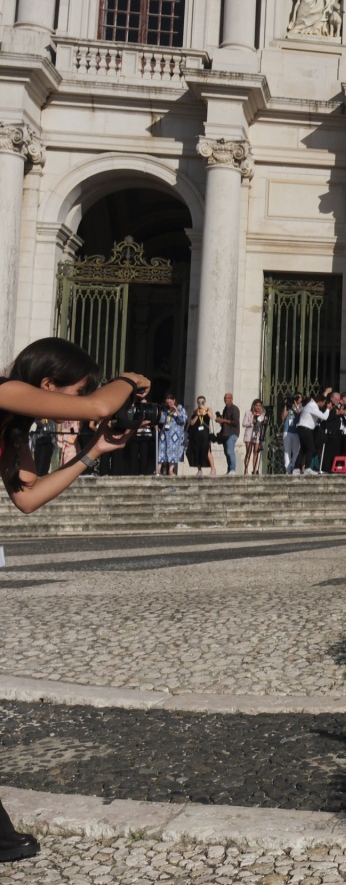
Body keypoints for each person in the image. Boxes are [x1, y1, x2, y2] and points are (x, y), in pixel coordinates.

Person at [0, 338, 150, 862]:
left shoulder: (13, 426)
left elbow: (28, 497)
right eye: (77, 388)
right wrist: (131, 379)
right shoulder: (5, 392)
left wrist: (92, 454)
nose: (81, 401)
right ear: (47, 387)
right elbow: (98, 406)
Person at [295, 391, 330, 473]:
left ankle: (296, 468)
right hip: (306, 428)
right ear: (320, 401)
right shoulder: (312, 406)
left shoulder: (311, 406)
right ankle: (307, 468)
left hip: (302, 428)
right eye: (324, 403)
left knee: (303, 449)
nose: (324, 405)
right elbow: (324, 417)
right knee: (310, 448)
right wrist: (328, 409)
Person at [157, 395, 186, 474]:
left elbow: (183, 420)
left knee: (173, 451)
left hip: (175, 434)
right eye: (167, 403)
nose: (169, 404)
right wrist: (162, 414)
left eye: (170, 402)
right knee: (161, 450)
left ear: (174, 400)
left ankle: (171, 470)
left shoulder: (180, 408)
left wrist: (176, 411)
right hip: (164, 433)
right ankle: (158, 469)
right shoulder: (166, 410)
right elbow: (161, 421)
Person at [187, 396, 215, 475]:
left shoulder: (208, 409)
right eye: (199, 402)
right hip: (197, 434)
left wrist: (205, 409)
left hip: (205, 433)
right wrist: (197, 415)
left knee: (207, 451)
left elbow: (212, 417)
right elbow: (192, 423)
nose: (200, 403)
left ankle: (213, 469)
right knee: (197, 451)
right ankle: (199, 470)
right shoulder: (195, 411)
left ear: (205, 402)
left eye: (202, 402)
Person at [218, 393, 241, 474]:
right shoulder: (225, 409)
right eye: (225, 398)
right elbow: (224, 422)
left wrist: (223, 420)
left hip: (232, 433)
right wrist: (220, 420)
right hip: (225, 433)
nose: (226, 399)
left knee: (230, 451)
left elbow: (235, 422)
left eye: (228, 398)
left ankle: (233, 469)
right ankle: (229, 469)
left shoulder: (234, 409)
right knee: (226, 452)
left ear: (231, 399)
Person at [242, 399, 267, 474]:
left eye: (259, 406)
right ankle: (246, 469)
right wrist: (251, 422)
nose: (258, 407)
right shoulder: (248, 413)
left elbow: (264, 425)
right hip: (249, 434)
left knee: (256, 452)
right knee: (248, 452)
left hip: (257, 435)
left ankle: (255, 470)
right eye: (256, 405)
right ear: (253, 406)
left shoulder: (263, 415)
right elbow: (244, 424)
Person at [281, 396, 301, 472]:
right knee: (287, 451)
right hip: (287, 431)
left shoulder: (301, 407)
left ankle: (294, 467)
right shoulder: (288, 408)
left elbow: (301, 414)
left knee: (296, 451)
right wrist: (286, 405)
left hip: (296, 432)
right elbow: (283, 417)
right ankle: (287, 469)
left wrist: (296, 406)